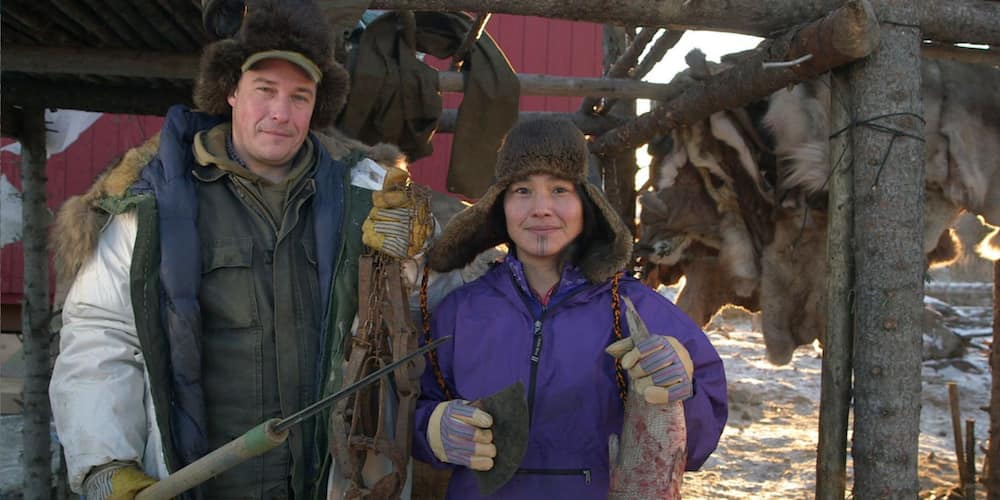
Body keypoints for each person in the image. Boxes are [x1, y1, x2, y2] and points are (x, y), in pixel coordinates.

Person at [48, 1, 440, 498]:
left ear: (317, 104)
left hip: (332, 483)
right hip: (200, 483)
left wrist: (417, 252)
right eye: (265, 90)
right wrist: (105, 462)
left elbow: (432, 304)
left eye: (300, 96)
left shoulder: (371, 196)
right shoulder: (148, 204)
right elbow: (100, 334)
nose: (281, 113)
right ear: (231, 91)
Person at [412, 117, 728, 498]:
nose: (541, 208)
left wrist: (683, 391)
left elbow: (695, 450)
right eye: (523, 190)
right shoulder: (460, 313)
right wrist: (432, 429)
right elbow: (407, 407)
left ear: (587, 204)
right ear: (501, 207)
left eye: (560, 189)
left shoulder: (639, 311)